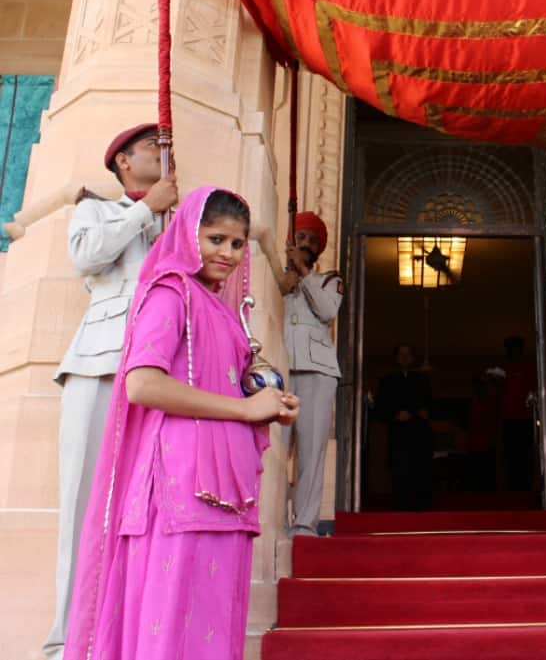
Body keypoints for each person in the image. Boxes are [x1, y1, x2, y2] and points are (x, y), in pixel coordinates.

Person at [63, 187, 299, 660]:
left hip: (227, 486)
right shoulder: (171, 293)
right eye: (216, 239)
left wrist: (266, 403)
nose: (228, 254)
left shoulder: (225, 312)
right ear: (189, 234)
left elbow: (226, 386)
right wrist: (243, 410)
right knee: (170, 625)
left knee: (214, 621)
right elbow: (142, 386)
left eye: (237, 244)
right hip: (178, 482)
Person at [43, 123, 178, 660]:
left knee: (145, 508)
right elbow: (88, 257)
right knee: (82, 503)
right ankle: (65, 640)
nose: (163, 156)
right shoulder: (96, 209)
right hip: (100, 364)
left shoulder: (179, 219)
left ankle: (127, 635)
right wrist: (146, 211)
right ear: (123, 161)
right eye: (153, 149)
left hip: (162, 375)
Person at [277, 211, 342, 537]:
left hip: (318, 371)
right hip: (280, 369)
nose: (305, 243)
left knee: (311, 450)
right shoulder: (275, 275)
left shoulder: (329, 279)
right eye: (300, 237)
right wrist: (285, 278)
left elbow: (328, 311)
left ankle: (304, 523)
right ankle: (275, 522)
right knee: (276, 449)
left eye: (311, 240)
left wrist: (304, 273)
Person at [375, 344, 434, 510]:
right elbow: (380, 409)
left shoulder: (423, 380)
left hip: (420, 435)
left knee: (421, 471)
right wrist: (395, 415)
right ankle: (401, 509)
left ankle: (422, 509)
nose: (405, 357)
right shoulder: (387, 381)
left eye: (408, 354)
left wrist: (425, 412)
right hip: (399, 435)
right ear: (396, 358)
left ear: (413, 358)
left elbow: (431, 405)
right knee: (400, 471)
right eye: (401, 354)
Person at [499, 336, 537, 491]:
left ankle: (526, 487)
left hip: (525, 419)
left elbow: (534, 392)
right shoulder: (503, 371)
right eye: (508, 349)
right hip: (508, 420)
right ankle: (513, 488)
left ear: (520, 350)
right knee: (510, 455)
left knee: (526, 455)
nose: (511, 352)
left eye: (514, 348)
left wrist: (529, 405)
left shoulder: (529, 368)